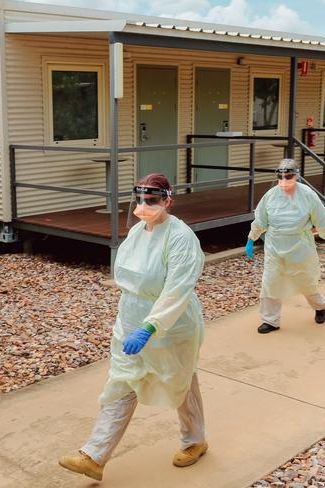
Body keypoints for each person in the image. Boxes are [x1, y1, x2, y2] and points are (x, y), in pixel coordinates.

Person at [58, 173, 207, 482]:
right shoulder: (139, 231)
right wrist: (128, 325)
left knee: (179, 383)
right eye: (139, 200)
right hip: (131, 321)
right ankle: (94, 455)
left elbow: (178, 289)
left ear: (168, 201)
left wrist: (151, 326)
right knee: (123, 382)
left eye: (151, 201)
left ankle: (195, 441)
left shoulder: (180, 237)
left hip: (171, 325)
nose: (143, 206)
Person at [245, 159, 325, 334]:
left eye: (288, 176)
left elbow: (321, 219)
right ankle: (270, 321)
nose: (284, 180)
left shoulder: (308, 195)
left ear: (296, 176)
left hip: (299, 246)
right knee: (271, 283)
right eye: (281, 177)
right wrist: (252, 238)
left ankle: (319, 307)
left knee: (305, 281)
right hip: (274, 246)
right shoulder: (271, 195)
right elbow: (260, 220)